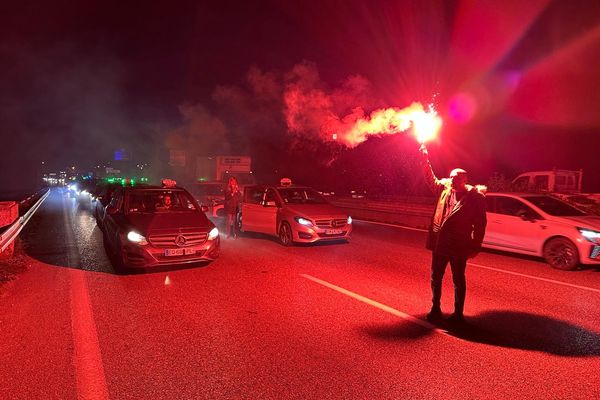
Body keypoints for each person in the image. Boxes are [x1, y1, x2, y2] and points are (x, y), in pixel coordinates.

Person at [419, 144, 487, 324]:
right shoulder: (444, 190)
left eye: (456, 178)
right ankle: (435, 308)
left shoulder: (474, 197)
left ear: (465, 179)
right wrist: (425, 158)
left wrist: (475, 245)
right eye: (450, 177)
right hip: (440, 244)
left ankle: (458, 314)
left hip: (459, 245)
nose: (452, 180)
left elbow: (480, 223)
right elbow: (429, 178)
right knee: (436, 277)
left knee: (458, 280)